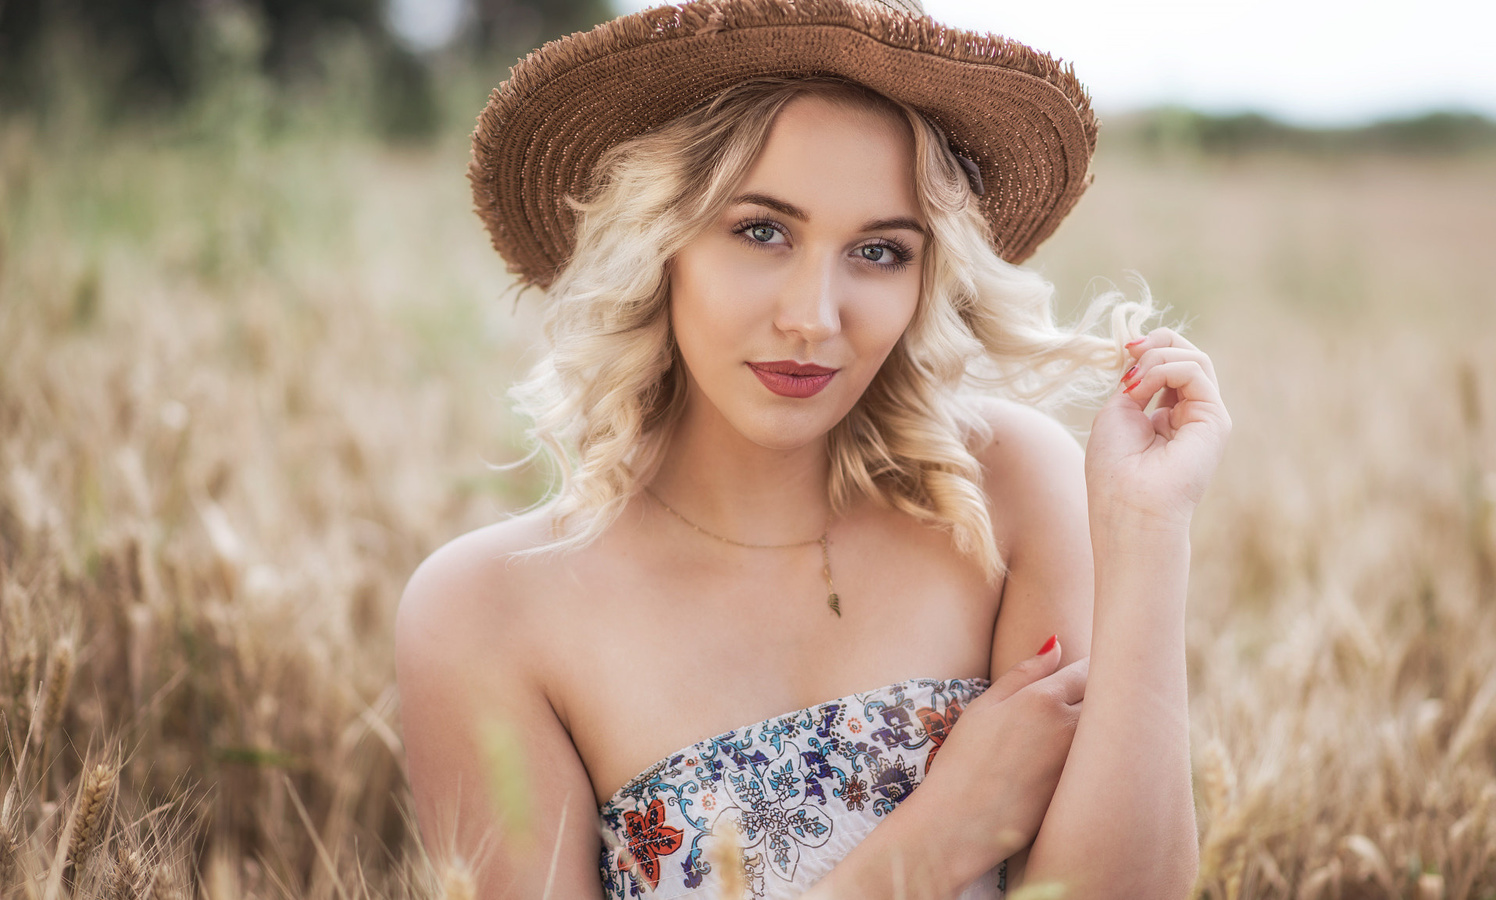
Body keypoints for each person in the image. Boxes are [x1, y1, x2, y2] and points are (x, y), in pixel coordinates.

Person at [394, 0, 1229, 898]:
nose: (814, 316)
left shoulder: (1009, 493)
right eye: (762, 231)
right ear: (658, 239)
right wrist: (939, 837)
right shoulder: (486, 613)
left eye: (878, 251)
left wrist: (1146, 533)